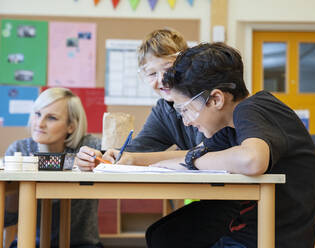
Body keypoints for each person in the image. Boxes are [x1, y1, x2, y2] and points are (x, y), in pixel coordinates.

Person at [146, 42, 315, 248]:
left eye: (186, 109)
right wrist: (131, 159)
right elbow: (193, 155)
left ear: (216, 99)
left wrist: (193, 161)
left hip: (270, 240)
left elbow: (252, 160)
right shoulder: (232, 129)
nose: (186, 121)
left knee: (168, 238)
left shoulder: (253, 109)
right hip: (247, 231)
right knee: (164, 235)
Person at [75, 28, 204, 170]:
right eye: (152, 73)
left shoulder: (205, 101)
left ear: (185, 66)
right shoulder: (164, 110)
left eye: (168, 69)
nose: (161, 79)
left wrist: (133, 159)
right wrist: (101, 157)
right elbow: (137, 149)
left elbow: (207, 152)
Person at [5, 88, 102, 248]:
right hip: (30, 243)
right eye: (37, 114)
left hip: (82, 244)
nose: (39, 124)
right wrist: (15, 193)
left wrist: (100, 158)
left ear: (71, 126)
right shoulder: (19, 149)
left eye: (51, 118)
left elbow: (119, 159)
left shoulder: (88, 146)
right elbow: (6, 220)